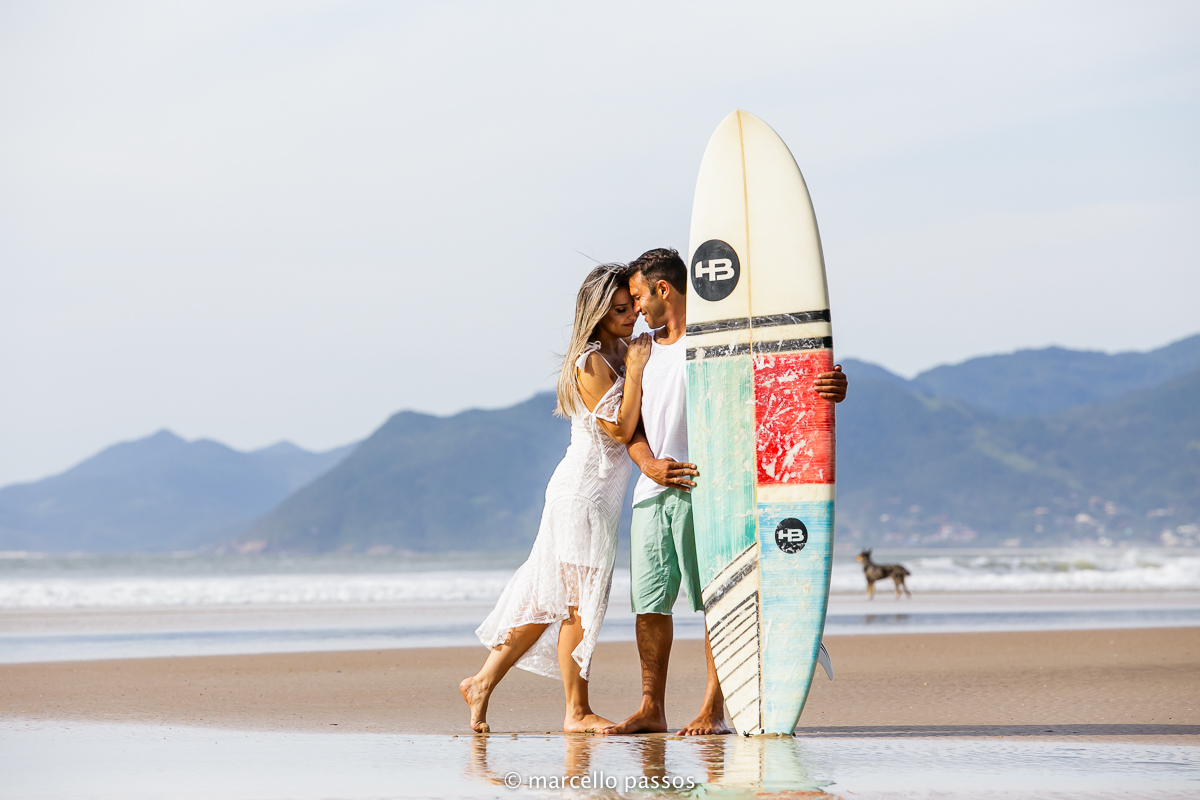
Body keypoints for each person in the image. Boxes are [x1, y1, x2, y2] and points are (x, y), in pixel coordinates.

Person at [604, 248, 848, 736]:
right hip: (652, 494)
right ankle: (651, 706)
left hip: (710, 491)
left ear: (662, 289)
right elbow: (628, 428)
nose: (636, 310)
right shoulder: (642, 352)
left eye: (637, 297)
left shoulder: (722, 341)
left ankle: (713, 709)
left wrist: (830, 385)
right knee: (650, 605)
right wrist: (648, 464)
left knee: (714, 600)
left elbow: (779, 383)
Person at [461, 264, 652, 734]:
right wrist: (636, 370)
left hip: (599, 497)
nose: (632, 317)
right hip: (582, 494)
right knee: (576, 605)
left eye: (633, 307)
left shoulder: (625, 351)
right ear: (598, 312)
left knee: (552, 600)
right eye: (621, 310)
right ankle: (576, 711)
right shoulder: (591, 361)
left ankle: (482, 682)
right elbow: (622, 429)